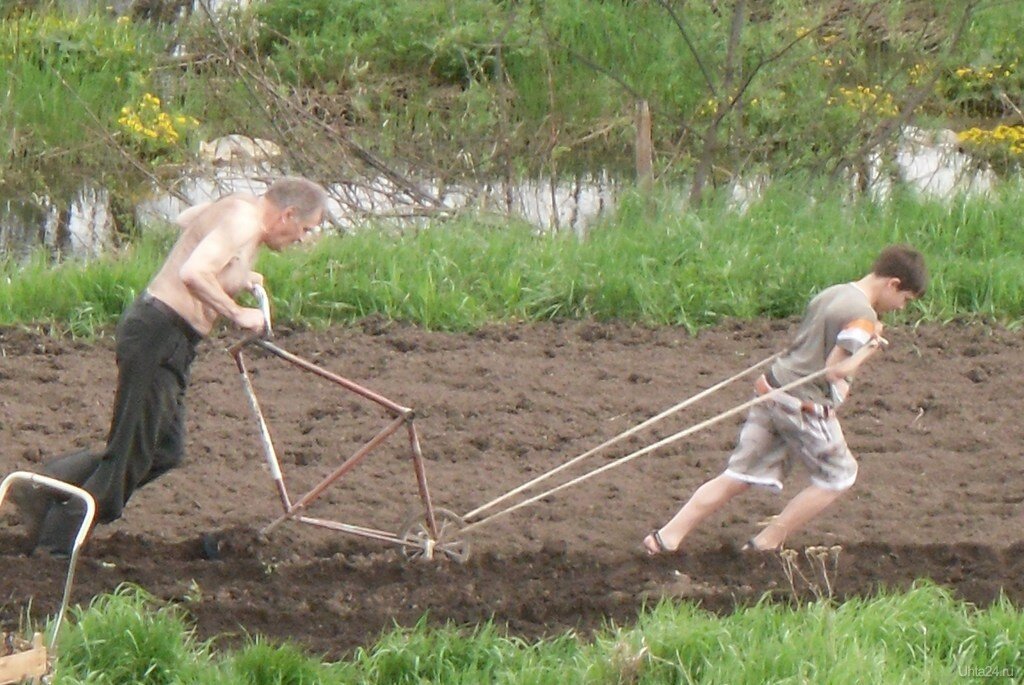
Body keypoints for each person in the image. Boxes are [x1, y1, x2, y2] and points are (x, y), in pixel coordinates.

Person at [13, 176, 328, 557]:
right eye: (305, 230)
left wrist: (238, 274)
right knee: (129, 455)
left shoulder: (238, 209)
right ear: (288, 214)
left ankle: (46, 485)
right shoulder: (244, 221)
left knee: (165, 449)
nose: (302, 239)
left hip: (170, 340)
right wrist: (236, 312)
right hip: (158, 334)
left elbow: (189, 219)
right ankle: (56, 544)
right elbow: (193, 273)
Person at [643, 245, 928, 556]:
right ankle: (767, 541)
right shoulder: (864, 315)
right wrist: (870, 348)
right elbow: (835, 370)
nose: (901, 307)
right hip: (803, 405)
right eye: (905, 299)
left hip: (772, 389)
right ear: (893, 284)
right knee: (839, 476)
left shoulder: (833, 293)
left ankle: (665, 538)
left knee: (738, 475)